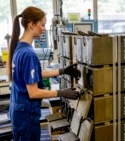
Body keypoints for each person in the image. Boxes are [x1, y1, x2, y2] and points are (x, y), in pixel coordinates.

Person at [7, 6, 81, 141]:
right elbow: (33, 92)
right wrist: (61, 93)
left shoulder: (20, 47)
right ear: (31, 24)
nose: (45, 28)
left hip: (18, 110)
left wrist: (62, 71)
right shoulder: (28, 54)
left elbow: (33, 76)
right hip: (26, 115)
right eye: (43, 24)